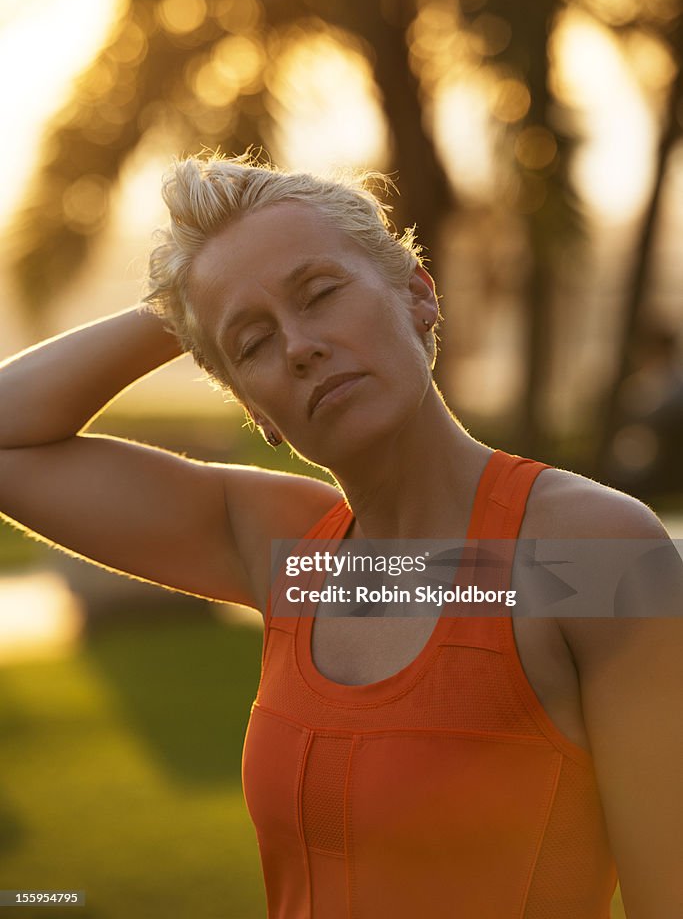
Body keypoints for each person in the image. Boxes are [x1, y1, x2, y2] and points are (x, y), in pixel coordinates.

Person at [0, 152, 681, 919]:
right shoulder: (289, 555)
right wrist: (189, 301)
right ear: (254, 410)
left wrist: (229, 289)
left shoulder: (593, 553)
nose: (298, 345)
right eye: (253, 344)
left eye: (320, 293)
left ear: (418, 295)